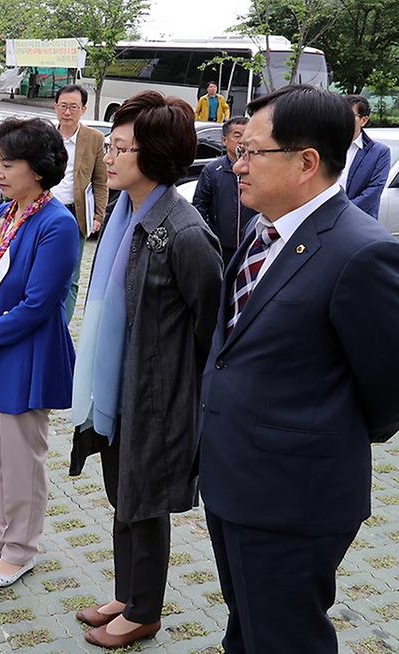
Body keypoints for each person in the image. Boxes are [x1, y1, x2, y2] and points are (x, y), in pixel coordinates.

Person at [198, 85, 399, 654]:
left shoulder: (360, 251)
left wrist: (311, 430)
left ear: (306, 162)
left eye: (252, 152)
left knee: (287, 637)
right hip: (235, 478)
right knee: (248, 625)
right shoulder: (265, 229)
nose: (236, 163)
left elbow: (388, 390)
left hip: (293, 496)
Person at [69, 91, 223, 649]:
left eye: (121, 148)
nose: (109, 157)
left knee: (145, 499)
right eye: (110, 145)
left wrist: (189, 394)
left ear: (154, 155)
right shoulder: (128, 215)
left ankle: (145, 609)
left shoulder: (181, 231)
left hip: (158, 395)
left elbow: (212, 325)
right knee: (121, 491)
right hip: (119, 385)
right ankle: (125, 591)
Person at [0, 117, 77, 588]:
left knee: (23, 457)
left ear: (39, 170)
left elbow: (40, 303)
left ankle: (22, 549)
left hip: (25, 355)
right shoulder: (2, 216)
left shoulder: (56, 223)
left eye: (9, 165)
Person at [49, 84, 109, 323]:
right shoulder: (46, 135)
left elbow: (101, 182)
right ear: (55, 107)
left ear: (83, 109)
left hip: (76, 213)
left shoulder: (93, 139)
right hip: (45, 209)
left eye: (73, 107)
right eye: (63, 106)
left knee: (71, 275)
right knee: (42, 270)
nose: (67, 112)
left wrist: (98, 216)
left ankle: (62, 324)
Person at [193, 117, 255, 266]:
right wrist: (208, 237)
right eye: (237, 135)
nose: (241, 141)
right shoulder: (212, 170)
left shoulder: (258, 169)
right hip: (221, 248)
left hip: (251, 245)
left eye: (246, 136)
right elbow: (199, 207)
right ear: (224, 140)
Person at [340, 94, 391, 219]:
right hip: (324, 222)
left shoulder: (379, 152)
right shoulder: (325, 147)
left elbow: (373, 192)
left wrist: (339, 213)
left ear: (363, 120)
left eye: (348, 116)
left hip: (359, 222)